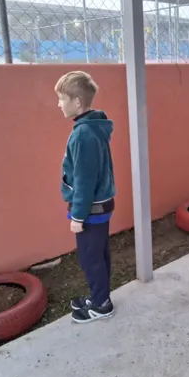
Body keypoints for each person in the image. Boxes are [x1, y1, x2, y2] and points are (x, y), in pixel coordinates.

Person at [56, 71, 117, 323]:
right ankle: (99, 295)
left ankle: (102, 304)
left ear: (77, 102)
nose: (58, 104)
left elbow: (84, 179)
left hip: (91, 210)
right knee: (99, 254)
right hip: (101, 206)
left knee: (91, 258)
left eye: (61, 98)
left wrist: (78, 216)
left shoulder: (83, 135)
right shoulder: (93, 126)